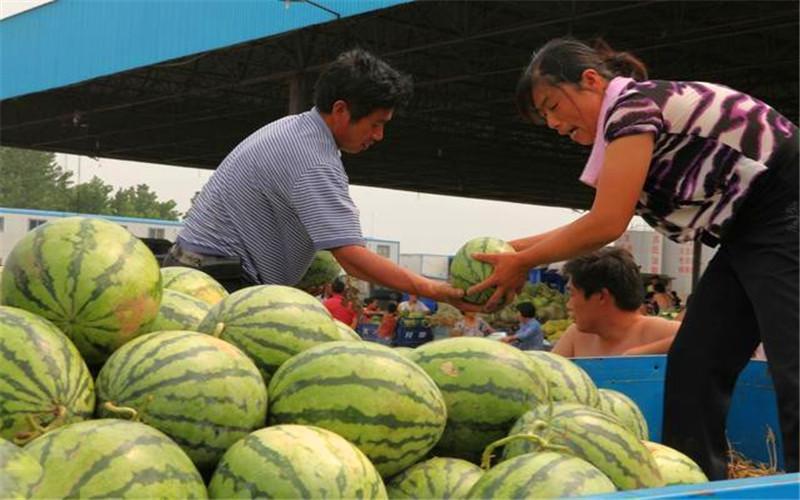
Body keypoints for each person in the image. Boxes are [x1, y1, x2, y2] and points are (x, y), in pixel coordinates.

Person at [467, 37, 798, 479]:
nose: (551, 122)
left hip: (786, 203)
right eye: (543, 115)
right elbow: (593, 220)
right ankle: (695, 481)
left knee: (793, 359)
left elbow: (607, 223)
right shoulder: (626, 117)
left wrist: (523, 261)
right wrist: (511, 253)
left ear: (589, 81)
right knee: (695, 360)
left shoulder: (632, 108)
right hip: (749, 227)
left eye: (551, 105)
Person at [162, 48, 470, 310]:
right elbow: (352, 258)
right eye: (375, 124)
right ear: (340, 110)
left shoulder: (295, 129)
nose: (379, 135)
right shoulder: (313, 160)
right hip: (216, 283)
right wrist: (435, 290)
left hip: (194, 270)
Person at [551, 248, 679, 357]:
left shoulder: (660, 331)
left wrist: (638, 353)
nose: (568, 305)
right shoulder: (576, 336)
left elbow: (698, 339)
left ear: (601, 296)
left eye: (572, 294)